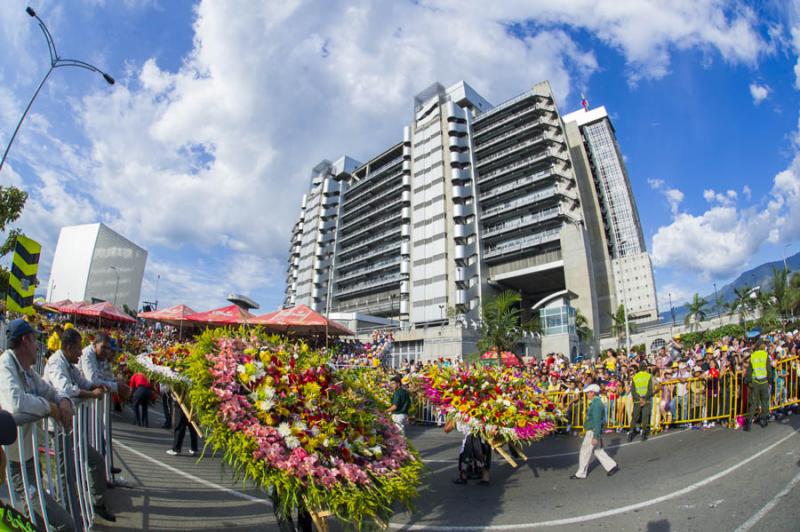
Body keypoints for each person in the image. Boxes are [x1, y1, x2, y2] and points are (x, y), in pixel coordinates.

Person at [0, 319, 76, 532]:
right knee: (64, 524)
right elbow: (15, 403)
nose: (38, 347)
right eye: (36, 341)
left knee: (34, 520)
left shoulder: (26, 369)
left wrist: (63, 402)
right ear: (25, 341)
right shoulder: (6, 363)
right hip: (14, 461)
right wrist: (49, 407)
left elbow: (50, 390)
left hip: (27, 456)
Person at [43, 327, 116, 522]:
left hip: (67, 427)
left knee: (95, 461)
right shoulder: (56, 363)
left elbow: (82, 381)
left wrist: (96, 387)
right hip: (57, 427)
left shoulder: (69, 363)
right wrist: (92, 394)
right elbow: (66, 389)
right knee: (66, 475)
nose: (80, 353)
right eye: (77, 349)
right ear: (67, 347)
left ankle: (94, 505)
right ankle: (68, 518)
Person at [571, 384, 619, 479]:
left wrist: (596, 436)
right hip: (594, 430)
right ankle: (612, 466)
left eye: (588, 392)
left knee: (585, 451)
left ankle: (581, 473)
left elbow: (597, 421)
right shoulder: (596, 402)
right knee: (598, 451)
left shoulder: (596, 404)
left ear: (592, 393)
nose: (587, 394)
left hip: (593, 430)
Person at [745, 342, 773, 431]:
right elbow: (768, 369)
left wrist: (749, 381)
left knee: (753, 403)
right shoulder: (765, 355)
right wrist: (770, 380)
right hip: (764, 381)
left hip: (755, 381)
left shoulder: (753, 356)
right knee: (764, 401)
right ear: (762, 347)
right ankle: (764, 420)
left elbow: (749, 370)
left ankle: (748, 423)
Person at [628, 363, 654, 442]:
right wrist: (644, 398)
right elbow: (650, 389)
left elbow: (633, 390)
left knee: (635, 417)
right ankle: (643, 434)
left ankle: (630, 434)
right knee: (645, 417)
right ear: (646, 368)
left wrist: (639, 398)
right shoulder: (649, 376)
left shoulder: (635, 377)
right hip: (646, 400)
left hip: (637, 400)